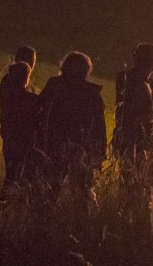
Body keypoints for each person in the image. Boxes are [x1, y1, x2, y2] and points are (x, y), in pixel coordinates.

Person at [36, 51, 107, 196]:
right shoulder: (92, 94)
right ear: (86, 70)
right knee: (83, 191)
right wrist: (99, 153)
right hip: (82, 147)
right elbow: (99, 127)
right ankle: (80, 217)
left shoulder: (55, 84)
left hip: (54, 142)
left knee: (51, 188)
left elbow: (38, 107)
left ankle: (44, 216)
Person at [113, 43, 153, 177]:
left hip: (137, 142)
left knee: (133, 182)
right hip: (135, 142)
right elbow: (139, 112)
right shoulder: (134, 80)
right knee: (146, 181)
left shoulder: (145, 81)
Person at [0, 61, 39, 199]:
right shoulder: (30, 99)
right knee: (21, 176)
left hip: (9, 139)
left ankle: (5, 202)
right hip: (23, 143)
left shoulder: (6, 92)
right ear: (26, 79)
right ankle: (13, 203)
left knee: (10, 175)